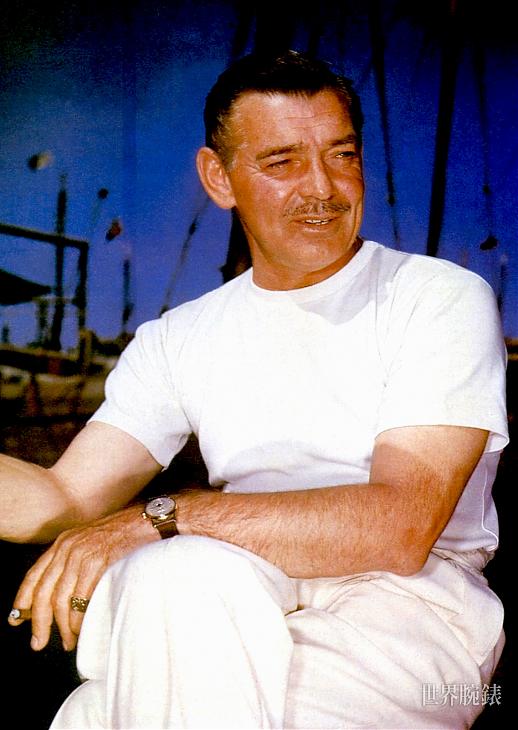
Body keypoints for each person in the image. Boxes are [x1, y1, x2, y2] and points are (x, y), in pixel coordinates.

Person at [1, 50, 508, 729]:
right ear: (220, 177)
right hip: (220, 591)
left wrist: (160, 519)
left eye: (342, 155)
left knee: (106, 702)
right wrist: (161, 528)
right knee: (171, 583)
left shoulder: (436, 298)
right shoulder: (179, 338)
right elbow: (64, 497)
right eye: (283, 162)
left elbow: (399, 527)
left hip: (407, 613)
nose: (323, 187)